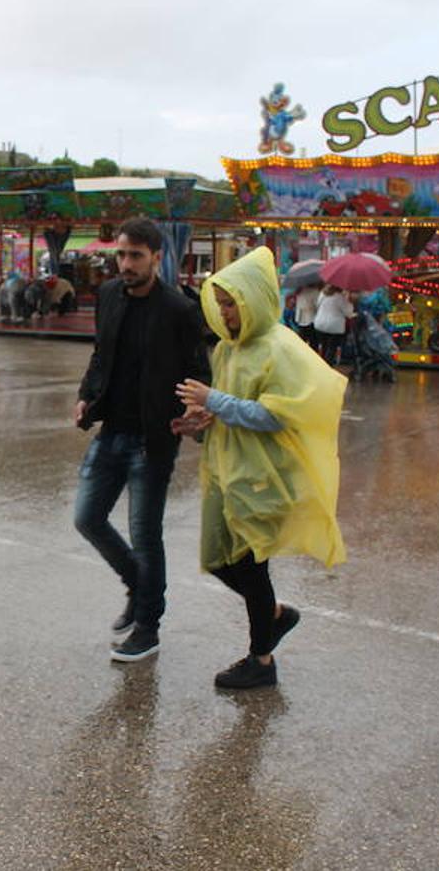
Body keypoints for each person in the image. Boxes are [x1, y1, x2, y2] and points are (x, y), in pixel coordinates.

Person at [175, 246, 346, 689]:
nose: (225, 312)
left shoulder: (279, 347)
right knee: (218, 559)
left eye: (233, 303)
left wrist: (216, 401)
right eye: (222, 303)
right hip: (229, 473)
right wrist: (198, 423)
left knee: (251, 568)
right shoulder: (229, 350)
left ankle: (261, 660)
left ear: (255, 298)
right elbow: (231, 411)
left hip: (266, 477)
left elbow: (277, 414)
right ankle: (274, 615)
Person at [74, 217, 211, 663]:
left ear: (157, 257)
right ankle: (139, 583)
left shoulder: (179, 309)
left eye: (135, 255)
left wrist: (196, 409)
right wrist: (85, 396)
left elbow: (198, 370)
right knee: (87, 518)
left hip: (154, 439)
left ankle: (148, 627)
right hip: (111, 429)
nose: (126, 263)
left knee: (145, 532)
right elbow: (101, 354)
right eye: (121, 254)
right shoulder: (110, 295)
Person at [313, 284, 354, 365]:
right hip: (334, 326)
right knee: (332, 347)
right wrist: (349, 301)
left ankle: (321, 365)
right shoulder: (340, 297)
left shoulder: (323, 294)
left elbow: (317, 305)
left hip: (320, 323)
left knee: (324, 346)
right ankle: (327, 367)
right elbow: (349, 313)